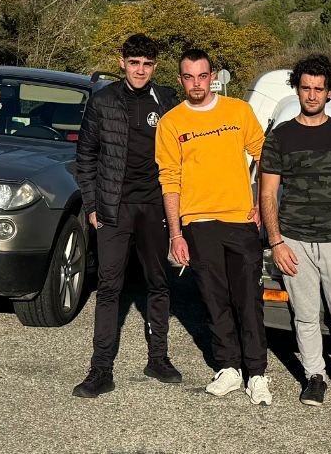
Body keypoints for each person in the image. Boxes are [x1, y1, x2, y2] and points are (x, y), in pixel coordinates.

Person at [259, 55, 331, 417]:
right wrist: (276, 242)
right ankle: (315, 377)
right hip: (293, 241)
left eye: (318, 89)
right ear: (297, 88)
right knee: (306, 317)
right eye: (306, 87)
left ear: (329, 92)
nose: (311, 95)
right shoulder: (279, 137)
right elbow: (267, 194)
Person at [156, 49, 270, 406]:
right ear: (180, 80)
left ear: (213, 76)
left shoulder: (238, 111)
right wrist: (176, 234)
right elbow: (169, 179)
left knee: (248, 299)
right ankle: (229, 368)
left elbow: (264, 155)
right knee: (214, 299)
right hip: (198, 223)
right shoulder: (171, 123)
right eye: (188, 77)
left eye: (202, 76)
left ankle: (257, 373)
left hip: (240, 219)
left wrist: (261, 204)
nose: (196, 84)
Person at [72, 34, 181, 398]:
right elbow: (85, 156)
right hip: (113, 208)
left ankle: (158, 358)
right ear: (122, 63)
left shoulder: (166, 100)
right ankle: (101, 370)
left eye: (147, 64)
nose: (140, 70)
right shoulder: (102, 101)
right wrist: (92, 206)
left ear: (155, 67)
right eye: (134, 63)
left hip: (154, 207)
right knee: (109, 287)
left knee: (158, 283)